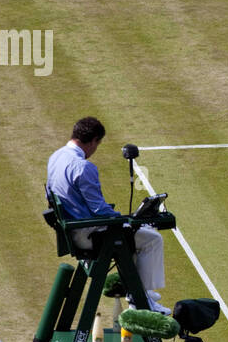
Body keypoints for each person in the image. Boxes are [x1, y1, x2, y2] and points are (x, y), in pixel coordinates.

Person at [46, 117, 169, 312]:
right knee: (152, 238)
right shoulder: (83, 167)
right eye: (97, 144)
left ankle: (141, 292)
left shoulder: (55, 158)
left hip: (74, 229)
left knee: (136, 234)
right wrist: (126, 220)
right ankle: (141, 298)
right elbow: (99, 210)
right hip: (88, 234)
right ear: (94, 140)